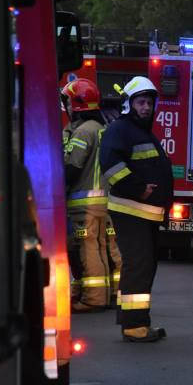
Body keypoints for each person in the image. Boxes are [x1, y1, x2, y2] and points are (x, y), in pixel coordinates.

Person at [99, 76, 173, 342]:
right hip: (131, 210)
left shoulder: (141, 133)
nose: (146, 107)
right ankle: (134, 326)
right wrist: (138, 188)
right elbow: (111, 165)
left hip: (144, 214)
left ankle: (135, 320)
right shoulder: (119, 130)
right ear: (130, 104)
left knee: (143, 265)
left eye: (150, 103)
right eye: (141, 102)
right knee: (138, 265)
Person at [60, 79, 121, 313]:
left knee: (88, 250)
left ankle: (94, 298)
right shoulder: (102, 128)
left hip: (84, 204)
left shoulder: (84, 131)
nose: (66, 106)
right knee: (106, 248)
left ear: (76, 104)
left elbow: (72, 167)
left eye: (67, 101)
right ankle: (114, 293)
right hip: (104, 202)